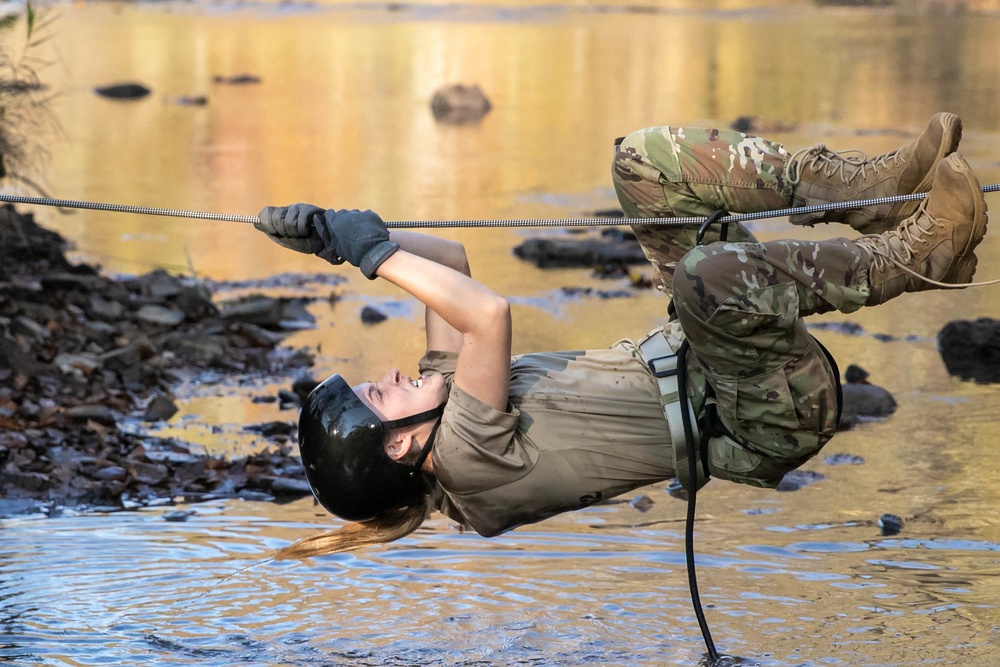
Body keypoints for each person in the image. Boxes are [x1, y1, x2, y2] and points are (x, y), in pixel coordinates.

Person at [254, 112, 988, 560]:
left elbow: (448, 263)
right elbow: (487, 311)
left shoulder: (447, 407)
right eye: (376, 394)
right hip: (766, 414)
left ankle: (855, 190)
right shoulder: (466, 464)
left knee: (641, 164)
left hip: (718, 362)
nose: (385, 375)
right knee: (707, 275)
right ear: (400, 445)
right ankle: (917, 258)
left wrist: (340, 236)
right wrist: (375, 257)